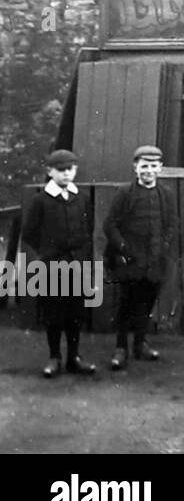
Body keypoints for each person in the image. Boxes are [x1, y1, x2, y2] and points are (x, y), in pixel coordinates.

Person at [21, 149, 96, 378]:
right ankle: (55, 357)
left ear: (76, 170)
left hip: (77, 265)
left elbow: (88, 229)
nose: (65, 174)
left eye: (70, 169)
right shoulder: (41, 200)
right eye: (60, 170)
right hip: (52, 266)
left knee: (75, 313)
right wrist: (49, 252)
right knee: (53, 313)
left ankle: (74, 357)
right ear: (50, 172)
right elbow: (29, 233)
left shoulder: (82, 197)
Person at [103, 145, 177, 370]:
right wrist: (124, 249)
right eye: (144, 166)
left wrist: (164, 244)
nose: (149, 170)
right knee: (126, 304)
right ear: (135, 167)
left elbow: (172, 224)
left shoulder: (166, 194)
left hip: (155, 259)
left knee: (147, 302)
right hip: (130, 260)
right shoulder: (125, 193)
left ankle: (140, 344)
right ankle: (120, 348)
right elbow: (110, 224)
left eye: (154, 166)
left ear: (160, 168)